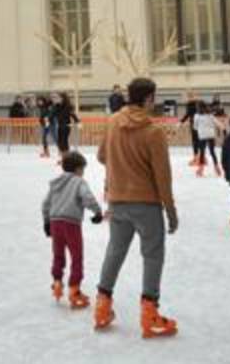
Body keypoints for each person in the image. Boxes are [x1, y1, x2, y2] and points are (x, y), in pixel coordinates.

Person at [94, 78, 178, 338]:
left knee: (115, 251)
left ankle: (102, 306)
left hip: (118, 200)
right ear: (149, 98)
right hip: (147, 203)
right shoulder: (153, 131)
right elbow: (162, 176)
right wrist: (171, 212)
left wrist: (120, 162)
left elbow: (100, 156)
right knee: (152, 255)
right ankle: (150, 312)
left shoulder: (112, 122)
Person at [43, 151, 103, 309]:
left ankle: (57, 282)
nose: (83, 172)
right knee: (76, 256)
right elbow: (87, 197)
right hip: (71, 224)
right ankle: (74, 289)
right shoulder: (79, 181)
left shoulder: (55, 183)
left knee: (58, 255)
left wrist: (46, 222)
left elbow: (46, 204)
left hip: (55, 223)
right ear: (77, 169)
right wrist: (97, 212)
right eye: (83, 169)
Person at [192, 101, 221, 177]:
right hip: (211, 135)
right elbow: (217, 123)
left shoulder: (197, 116)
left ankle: (200, 170)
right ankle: (217, 167)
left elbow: (195, 127)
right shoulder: (210, 115)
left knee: (202, 152)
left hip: (202, 135)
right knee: (212, 152)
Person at [179, 91, 200, 168]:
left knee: (195, 141)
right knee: (199, 141)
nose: (186, 98)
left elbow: (188, 114)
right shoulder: (198, 103)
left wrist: (181, 122)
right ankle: (200, 157)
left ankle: (197, 158)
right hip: (199, 123)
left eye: (188, 96)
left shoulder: (191, 104)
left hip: (195, 123)